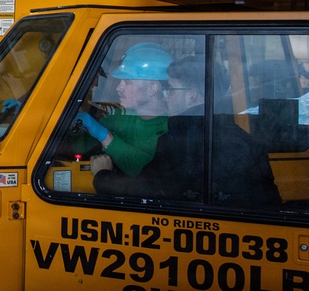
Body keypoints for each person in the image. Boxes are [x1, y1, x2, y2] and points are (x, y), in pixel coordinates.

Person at [94, 57, 281, 206]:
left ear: (191, 97)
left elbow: (146, 189)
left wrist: (102, 176)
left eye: (171, 90)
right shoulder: (246, 142)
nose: (166, 97)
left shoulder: (179, 140)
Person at [72, 42, 171, 177]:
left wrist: (105, 136)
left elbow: (149, 171)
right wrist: (69, 124)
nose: (119, 88)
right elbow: (78, 147)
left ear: (152, 88)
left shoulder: (170, 128)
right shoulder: (121, 117)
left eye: (128, 82)